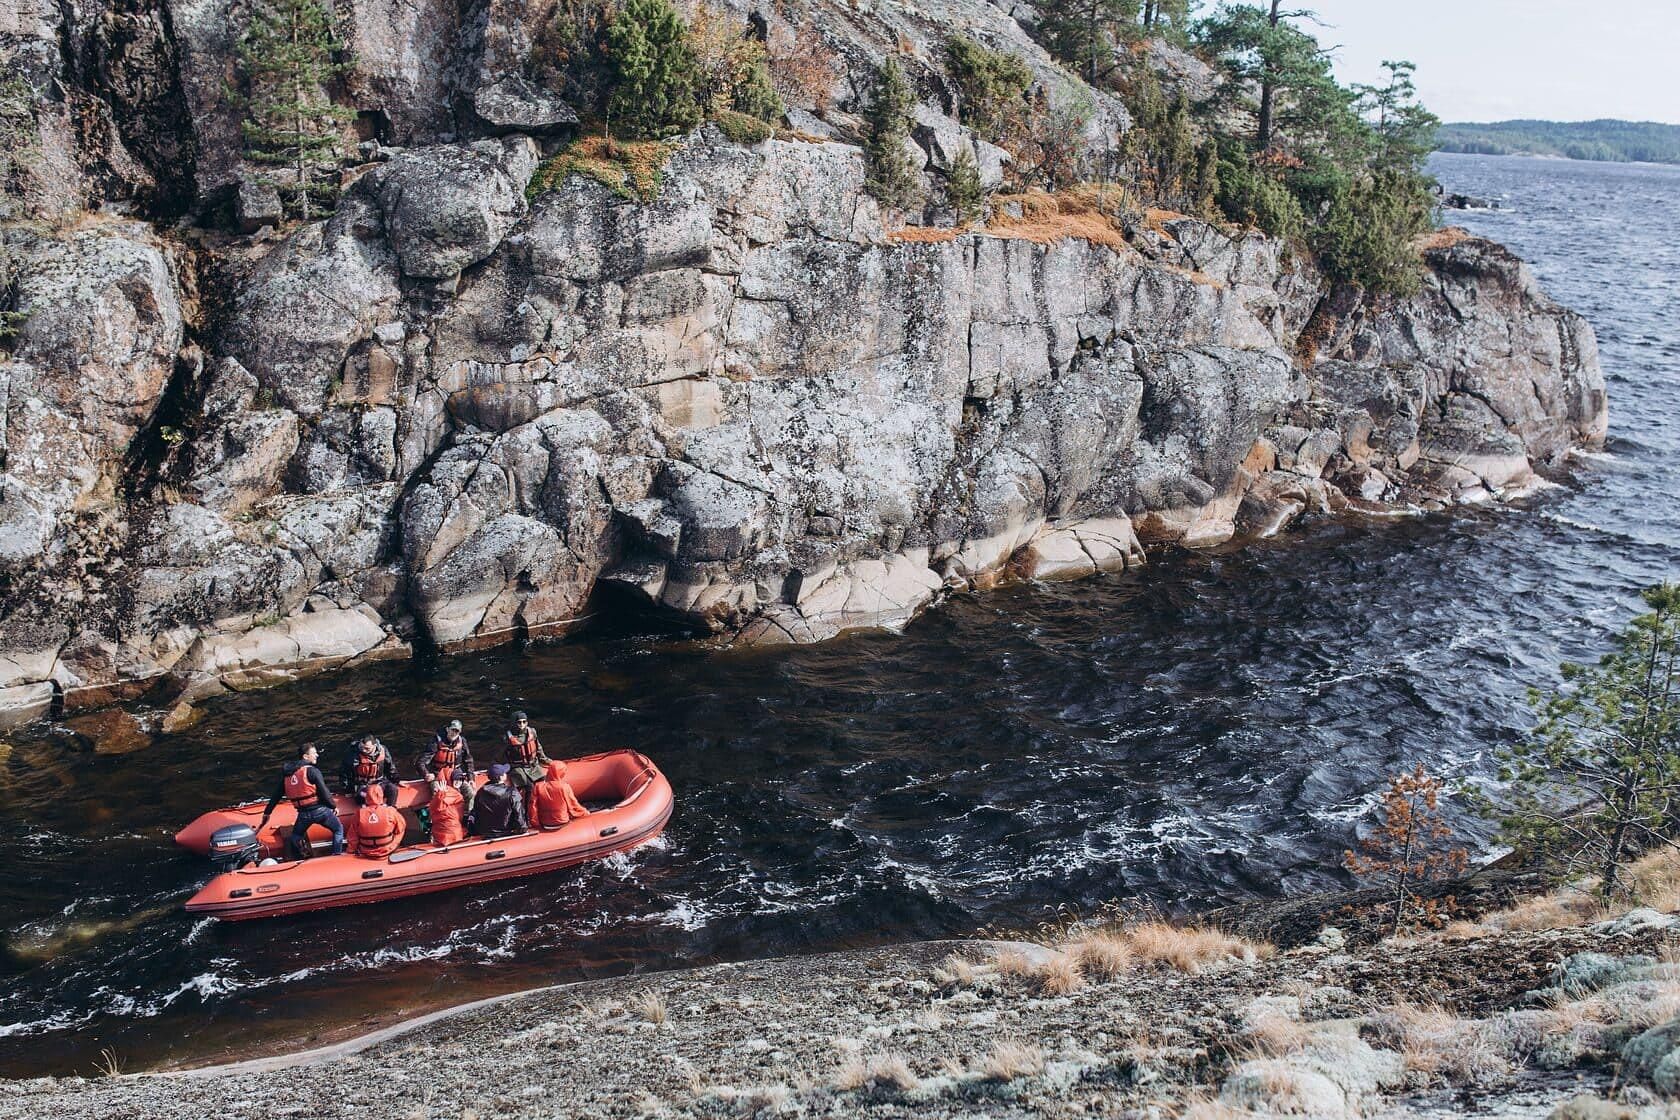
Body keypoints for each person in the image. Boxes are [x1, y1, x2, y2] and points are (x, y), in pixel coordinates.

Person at [259, 743, 344, 859]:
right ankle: (336, 855)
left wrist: (267, 812)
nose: (317, 755)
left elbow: (276, 796)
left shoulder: (287, 774)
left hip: (303, 814)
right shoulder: (312, 771)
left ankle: (300, 857)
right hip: (320, 811)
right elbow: (324, 792)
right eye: (314, 753)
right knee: (338, 829)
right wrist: (333, 806)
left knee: (295, 836)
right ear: (305, 756)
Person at [503, 711, 550, 821]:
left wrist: (545, 760)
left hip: (533, 765)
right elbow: (502, 755)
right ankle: (526, 814)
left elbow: (538, 748)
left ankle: (542, 808)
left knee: (542, 780)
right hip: (517, 767)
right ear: (514, 723)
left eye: (524, 722)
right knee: (528, 785)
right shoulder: (507, 737)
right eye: (519, 722)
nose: (522, 725)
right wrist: (502, 769)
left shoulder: (532, 732)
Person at [417, 719, 475, 808]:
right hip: (438, 774)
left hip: (455, 774)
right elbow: (420, 762)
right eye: (452, 730)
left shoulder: (462, 742)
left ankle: (467, 816)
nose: (454, 733)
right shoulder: (435, 742)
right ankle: (435, 817)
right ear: (447, 729)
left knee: (470, 792)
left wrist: (471, 778)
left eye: (457, 731)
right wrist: (426, 774)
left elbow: (468, 760)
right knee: (438, 794)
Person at [349, 783, 406, 859]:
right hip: (387, 849)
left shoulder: (359, 813)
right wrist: (394, 843)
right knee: (399, 828)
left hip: (366, 851)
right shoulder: (390, 811)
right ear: (381, 796)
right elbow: (401, 828)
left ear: (367, 797)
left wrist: (351, 851)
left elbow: (352, 836)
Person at [471, 764, 527, 838]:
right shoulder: (512, 792)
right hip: (507, 831)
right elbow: (519, 815)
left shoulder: (480, 792)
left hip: (486, 832)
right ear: (501, 777)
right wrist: (522, 829)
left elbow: (476, 812)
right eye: (504, 773)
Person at [532, 759, 590, 830]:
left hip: (545, 824)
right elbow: (573, 805)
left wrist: (536, 824)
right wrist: (585, 812)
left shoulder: (538, 786)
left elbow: (532, 807)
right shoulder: (564, 786)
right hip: (562, 822)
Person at [342, 735, 399, 807]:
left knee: (393, 789)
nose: (363, 750)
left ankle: (390, 809)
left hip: (379, 782)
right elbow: (345, 772)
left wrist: (396, 780)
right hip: (363, 785)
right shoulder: (353, 754)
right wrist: (347, 789)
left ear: (374, 745)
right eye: (361, 747)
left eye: (367, 748)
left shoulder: (383, 750)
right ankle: (365, 810)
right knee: (363, 795)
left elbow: (390, 767)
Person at [428, 766, 467, 847]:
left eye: (461, 780)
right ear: (450, 779)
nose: (458, 782)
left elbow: (434, 810)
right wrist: (441, 794)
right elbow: (439, 808)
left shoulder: (449, 793)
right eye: (456, 779)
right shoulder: (445, 794)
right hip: (450, 831)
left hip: (445, 830)